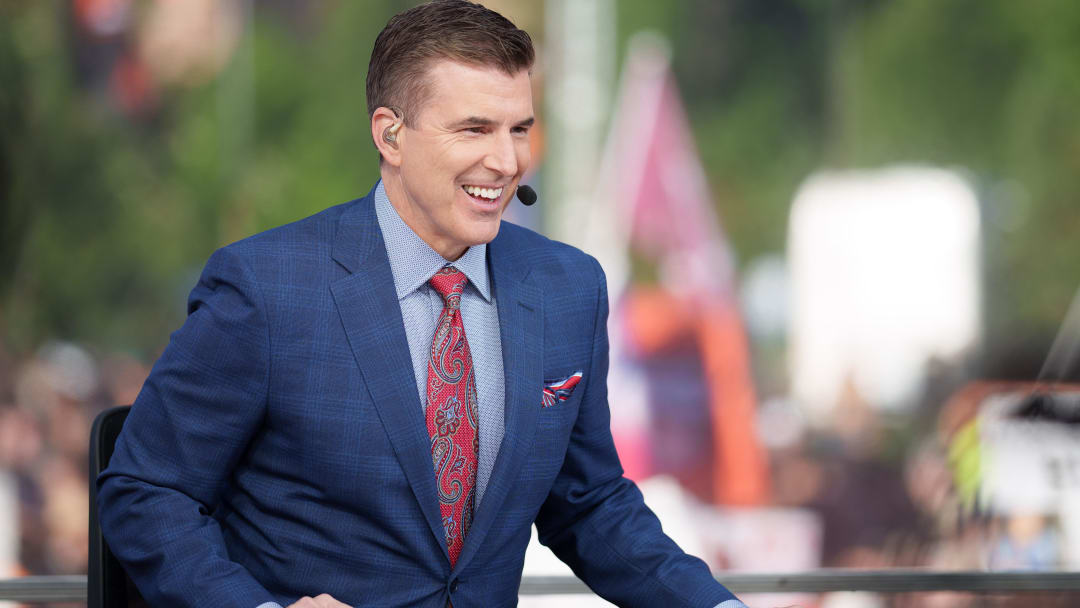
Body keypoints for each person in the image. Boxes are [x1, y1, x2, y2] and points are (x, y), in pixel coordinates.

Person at [97, 1, 747, 606]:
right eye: (475, 128)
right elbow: (146, 489)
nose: (506, 159)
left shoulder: (568, 289)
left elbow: (588, 505)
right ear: (391, 136)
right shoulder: (265, 289)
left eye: (520, 128)